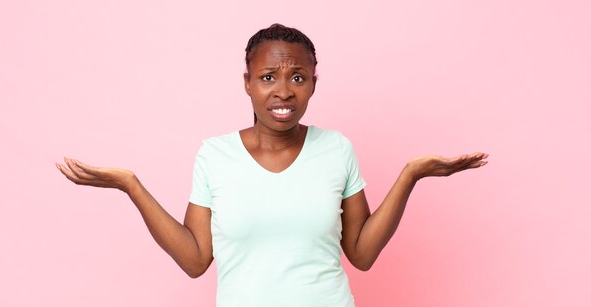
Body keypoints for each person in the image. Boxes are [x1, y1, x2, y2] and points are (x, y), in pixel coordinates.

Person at [56, 24, 488, 307]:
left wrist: (410, 175)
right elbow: (195, 259)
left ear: (314, 83)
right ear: (247, 82)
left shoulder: (337, 149)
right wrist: (131, 185)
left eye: (297, 78)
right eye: (268, 77)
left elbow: (362, 254)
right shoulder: (214, 155)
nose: (283, 91)